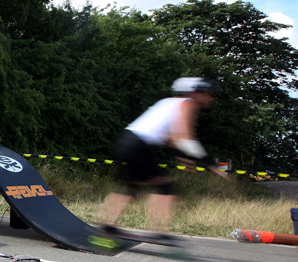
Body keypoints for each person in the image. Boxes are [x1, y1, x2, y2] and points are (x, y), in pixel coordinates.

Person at [98, 77, 229, 236]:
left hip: (127, 141)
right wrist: (210, 164)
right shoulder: (188, 104)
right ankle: (160, 230)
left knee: (132, 186)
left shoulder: (169, 102)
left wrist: (184, 157)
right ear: (195, 93)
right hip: (139, 145)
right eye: (209, 94)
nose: (211, 98)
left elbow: (171, 138)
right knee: (165, 185)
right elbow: (186, 137)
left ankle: (106, 224)